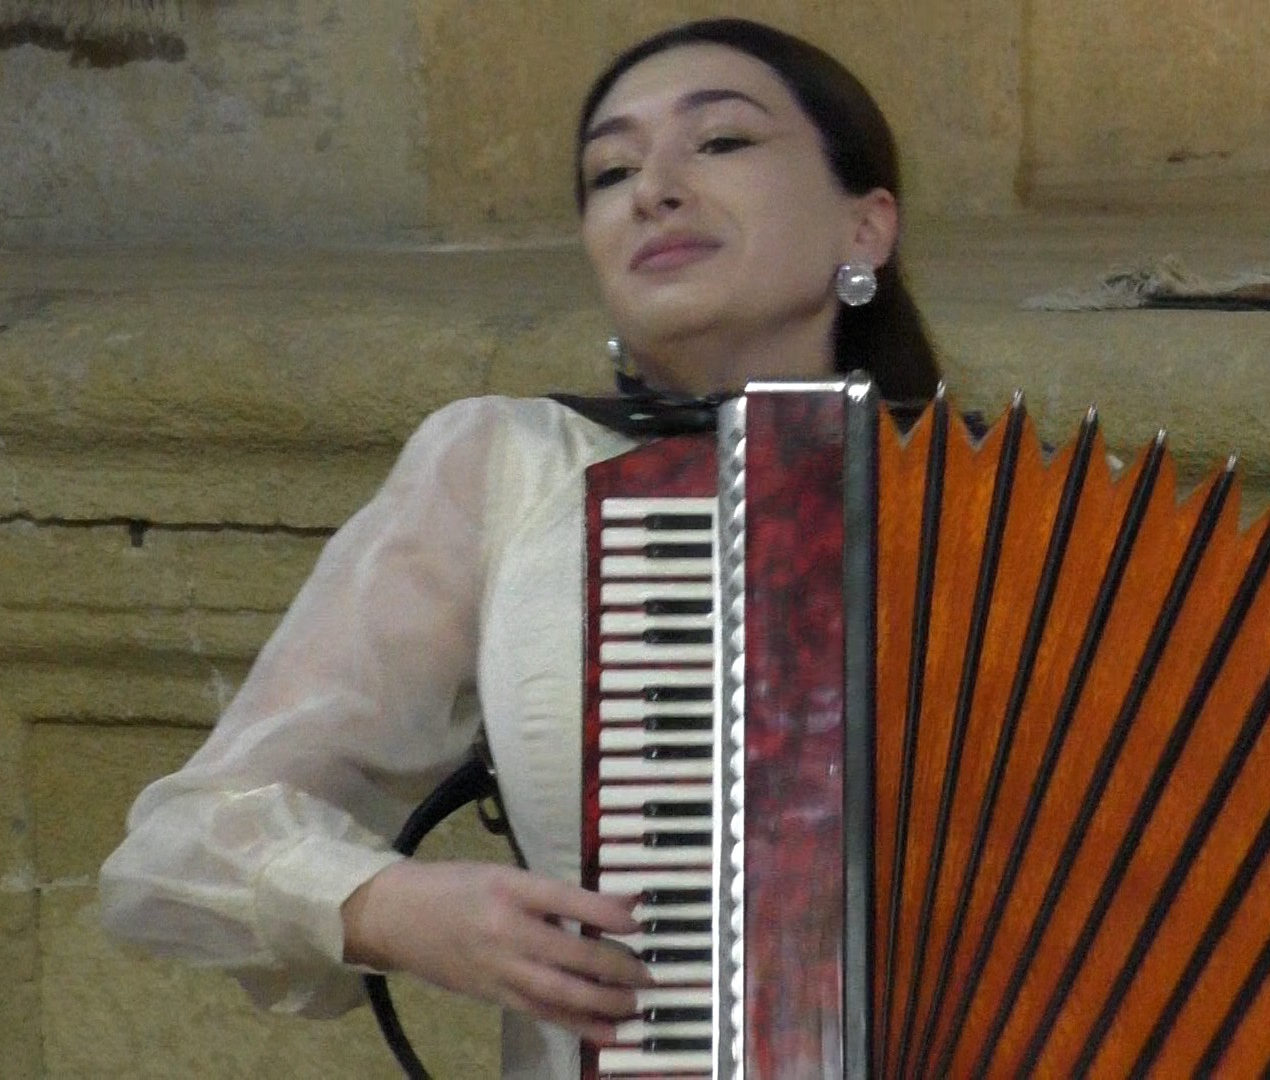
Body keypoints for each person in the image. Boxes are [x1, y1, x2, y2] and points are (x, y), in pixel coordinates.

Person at [99, 17, 941, 1078]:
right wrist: (388, 908)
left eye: (721, 142)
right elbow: (174, 852)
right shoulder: (507, 466)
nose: (654, 190)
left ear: (866, 228)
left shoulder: (1011, 522)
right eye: (610, 172)